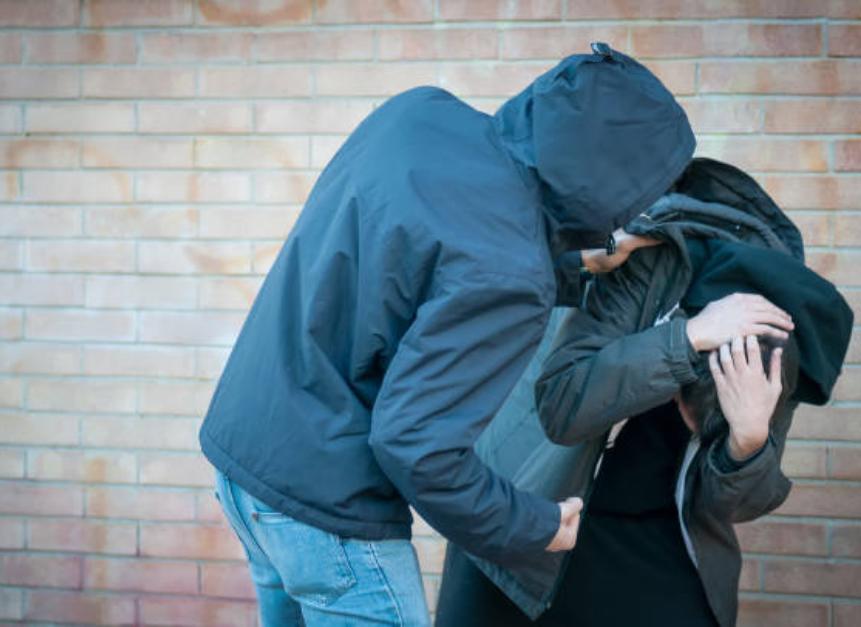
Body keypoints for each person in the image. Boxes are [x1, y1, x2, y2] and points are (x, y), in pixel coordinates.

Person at [199, 42, 701, 626]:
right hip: (327, 515)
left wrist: (575, 265)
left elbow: (425, 260)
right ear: (620, 178)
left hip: (245, 465)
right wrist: (536, 526)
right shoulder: (511, 272)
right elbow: (415, 446)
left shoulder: (417, 113)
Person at [435, 160, 853, 627]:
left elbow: (736, 505)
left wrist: (748, 443)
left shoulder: (771, 329)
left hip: (658, 548)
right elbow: (564, 408)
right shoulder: (633, 259)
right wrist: (688, 338)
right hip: (529, 518)